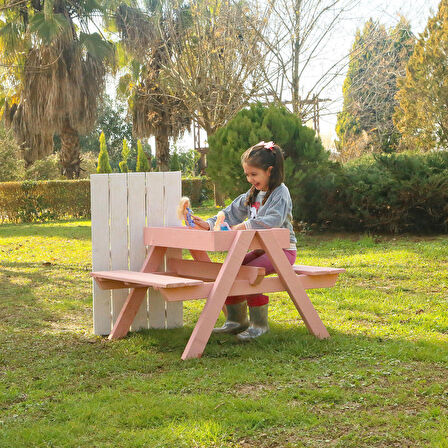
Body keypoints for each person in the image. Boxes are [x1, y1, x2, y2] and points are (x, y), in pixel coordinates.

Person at [192, 140, 297, 341]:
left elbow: (273, 220)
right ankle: (236, 321)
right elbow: (230, 213)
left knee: (249, 274)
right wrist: (208, 223)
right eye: (247, 175)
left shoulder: (280, 193)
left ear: (270, 171)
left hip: (283, 251)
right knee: (231, 267)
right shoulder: (252, 194)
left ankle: (259, 324)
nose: (250, 179)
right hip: (260, 250)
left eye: (254, 174)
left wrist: (245, 226)